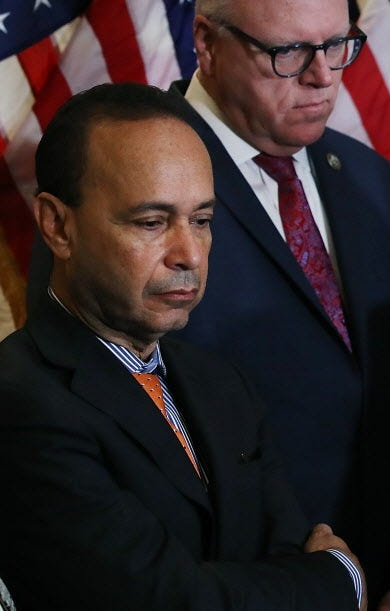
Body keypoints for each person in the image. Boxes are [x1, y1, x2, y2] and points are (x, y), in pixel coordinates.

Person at [170, 0, 390, 610]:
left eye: (338, 45)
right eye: (289, 51)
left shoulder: (371, 182)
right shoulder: (137, 188)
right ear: (207, 42)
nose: (323, 76)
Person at [0, 83, 364, 610]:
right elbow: (169, 601)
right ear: (58, 226)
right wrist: (338, 581)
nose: (189, 254)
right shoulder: (20, 399)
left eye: (202, 221)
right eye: (151, 222)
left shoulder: (220, 384)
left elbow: (282, 549)